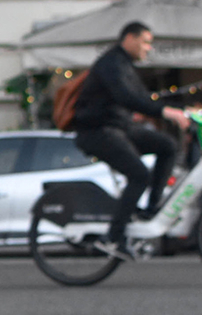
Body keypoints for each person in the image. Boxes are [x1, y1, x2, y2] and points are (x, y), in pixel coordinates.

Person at [68, 21, 192, 258]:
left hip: (120, 128)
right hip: (98, 131)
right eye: (145, 42)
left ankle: (152, 208)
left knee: (167, 146)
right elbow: (127, 97)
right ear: (129, 38)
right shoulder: (111, 63)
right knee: (139, 175)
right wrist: (166, 112)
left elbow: (143, 98)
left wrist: (181, 109)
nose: (148, 48)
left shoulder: (124, 64)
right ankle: (113, 238)